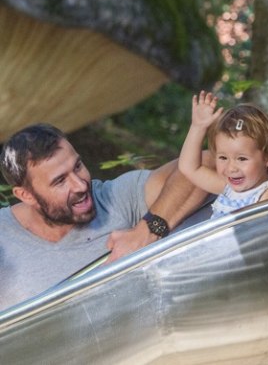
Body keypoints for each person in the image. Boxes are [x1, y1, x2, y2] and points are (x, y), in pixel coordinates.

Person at [0, 123, 210, 310]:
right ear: (25, 195)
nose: (80, 185)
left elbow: (206, 163)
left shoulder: (116, 198)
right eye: (60, 181)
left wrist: (148, 230)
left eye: (78, 166)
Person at [179, 91, 268, 218]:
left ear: (267, 158)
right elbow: (189, 168)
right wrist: (198, 127)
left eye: (242, 159)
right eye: (223, 158)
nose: (231, 168)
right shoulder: (227, 189)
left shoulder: (266, 193)